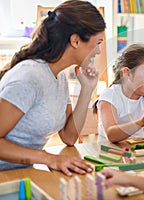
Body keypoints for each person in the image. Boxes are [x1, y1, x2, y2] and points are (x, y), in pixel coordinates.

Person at [0, 0, 106, 176]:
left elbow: (69, 137)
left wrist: (87, 89)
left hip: (21, 174)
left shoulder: (59, 77)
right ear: (75, 41)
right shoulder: (29, 77)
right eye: (98, 42)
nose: (99, 52)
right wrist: (49, 158)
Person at [95, 44, 144, 143]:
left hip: (139, 152)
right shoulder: (109, 95)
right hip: (110, 153)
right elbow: (111, 134)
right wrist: (140, 122)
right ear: (127, 73)